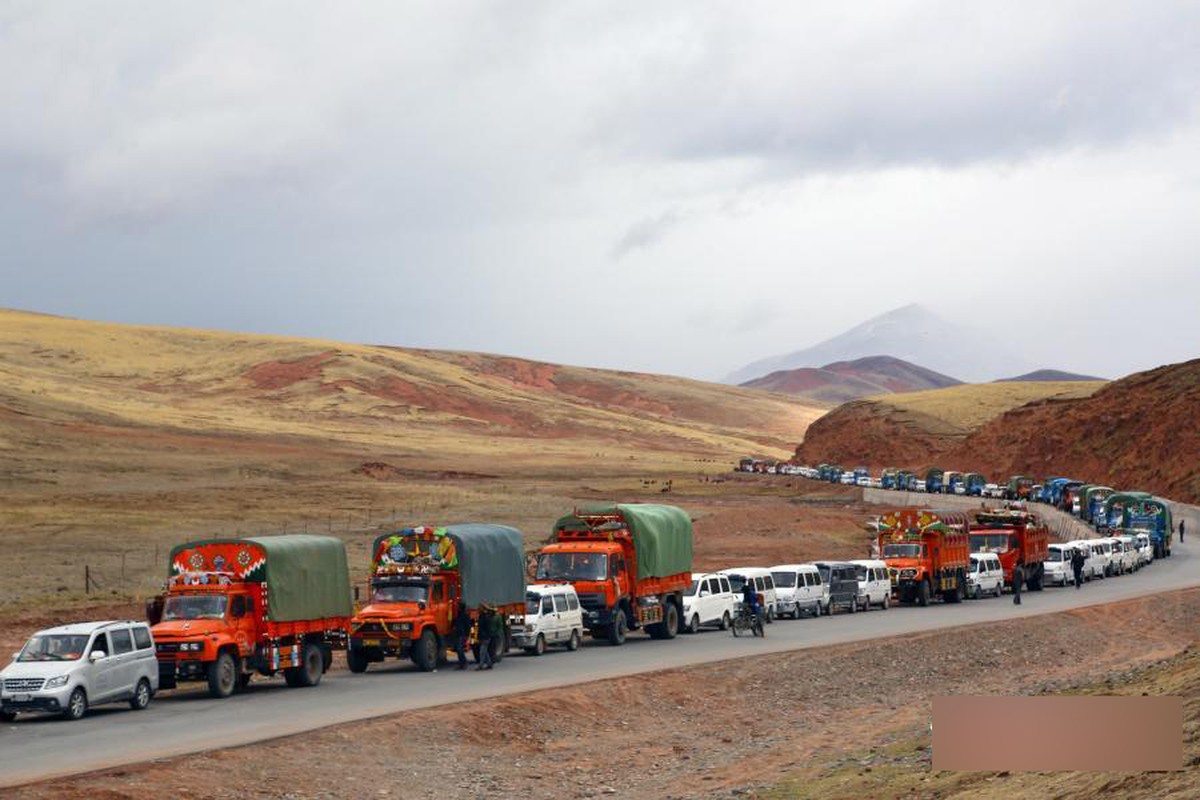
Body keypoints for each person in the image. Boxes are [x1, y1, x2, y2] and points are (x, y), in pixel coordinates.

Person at [451, 600, 472, 670]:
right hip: (458, 634)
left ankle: (464, 663)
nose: (457, 607)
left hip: (462, 635)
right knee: (458, 649)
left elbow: (468, 626)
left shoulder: (465, 615)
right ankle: (461, 664)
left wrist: (466, 635)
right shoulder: (459, 615)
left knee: (459, 649)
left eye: (458, 606)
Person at [475, 604, 494, 671]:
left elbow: (486, 628)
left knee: (482, 652)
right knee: (485, 651)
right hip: (483, 636)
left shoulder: (485, 617)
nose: (478, 610)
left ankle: (480, 665)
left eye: (479, 609)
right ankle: (489, 664)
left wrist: (485, 635)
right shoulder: (482, 617)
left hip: (485, 637)